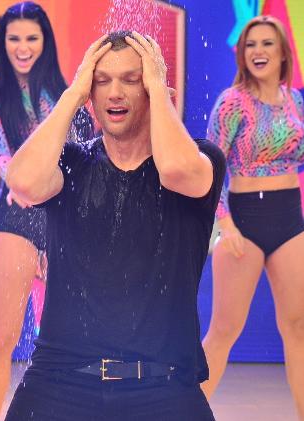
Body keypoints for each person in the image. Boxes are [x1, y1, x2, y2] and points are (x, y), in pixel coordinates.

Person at [2, 30, 225, 420]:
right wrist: (73, 94)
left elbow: (175, 170)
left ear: (156, 90)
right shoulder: (71, 164)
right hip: (60, 379)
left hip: (163, 384)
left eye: (132, 79)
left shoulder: (201, 158)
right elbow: (21, 181)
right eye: (101, 81)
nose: (115, 93)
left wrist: (158, 90)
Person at [0, 3, 93, 420]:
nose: (22, 47)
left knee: (63, 341)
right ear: (2, 43)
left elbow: (80, 159)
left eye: (31, 38)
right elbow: (2, 157)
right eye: (14, 38)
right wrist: (25, 185)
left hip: (63, 216)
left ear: (46, 42)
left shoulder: (65, 92)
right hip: (16, 212)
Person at [201, 15, 304, 418]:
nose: (258, 51)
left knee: (298, 327)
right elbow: (211, 167)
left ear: (283, 53)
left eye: (266, 43)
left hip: (289, 218)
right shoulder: (232, 101)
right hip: (242, 220)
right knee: (224, 330)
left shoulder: (296, 102)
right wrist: (224, 224)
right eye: (251, 45)